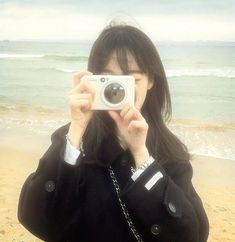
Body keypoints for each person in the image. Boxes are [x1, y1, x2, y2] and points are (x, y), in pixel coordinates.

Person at [18, 23, 209, 242]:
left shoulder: (169, 151)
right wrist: (76, 131)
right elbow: (34, 219)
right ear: (93, 80)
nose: (117, 90)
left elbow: (193, 236)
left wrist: (142, 156)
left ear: (151, 81)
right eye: (109, 79)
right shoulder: (72, 140)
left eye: (131, 79)